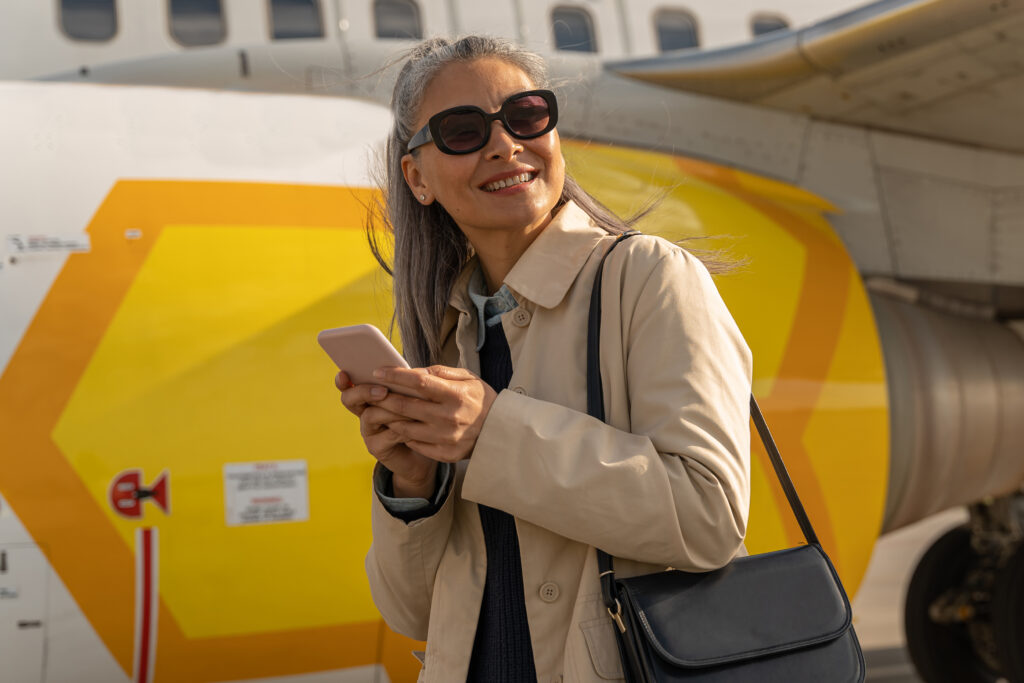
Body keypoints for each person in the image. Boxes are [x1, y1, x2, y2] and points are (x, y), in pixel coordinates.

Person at [335, 35, 753, 683]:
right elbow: (413, 612)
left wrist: (492, 431)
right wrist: (412, 485)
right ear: (416, 177)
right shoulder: (447, 338)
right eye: (462, 131)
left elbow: (710, 517)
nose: (504, 144)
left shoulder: (649, 278)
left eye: (526, 116)